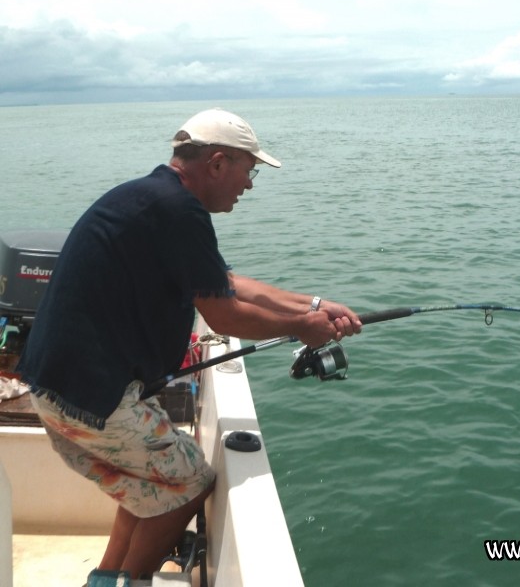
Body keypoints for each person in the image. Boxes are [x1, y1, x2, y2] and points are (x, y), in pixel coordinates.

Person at [16, 108, 362, 579]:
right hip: (92, 399)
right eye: (249, 169)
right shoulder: (178, 211)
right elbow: (224, 313)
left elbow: (226, 282)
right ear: (218, 163)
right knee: (191, 484)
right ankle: (129, 581)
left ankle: (106, 578)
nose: (250, 184)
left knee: (148, 486)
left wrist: (315, 304)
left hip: (61, 386)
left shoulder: (153, 198)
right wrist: (304, 328)